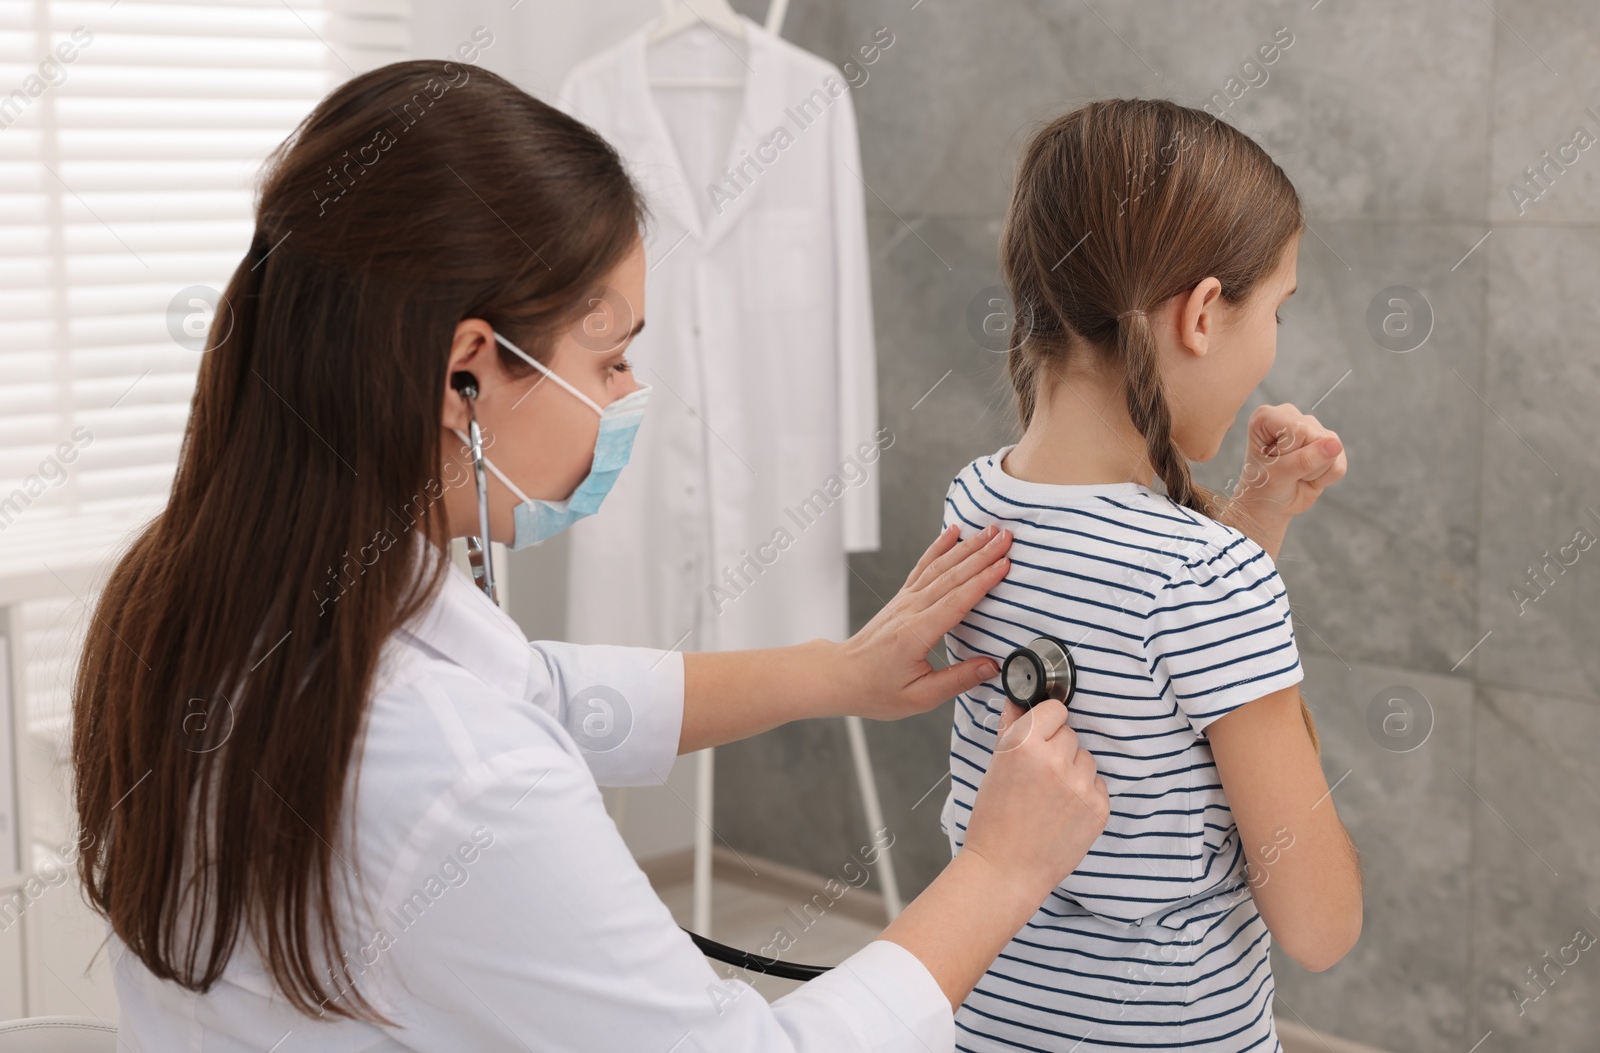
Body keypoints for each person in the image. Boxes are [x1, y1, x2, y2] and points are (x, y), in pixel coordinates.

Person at [68, 60, 1112, 1052]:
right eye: (609, 360)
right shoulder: (459, 774)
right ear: (464, 372)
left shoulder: (190, 594)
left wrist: (833, 673)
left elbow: (544, 689)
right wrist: (1000, 867)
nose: (625, 398)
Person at [937, 99, 1363, 1051]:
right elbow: (1320, 926)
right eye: (1278, 310)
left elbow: (1133, 629)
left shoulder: (973, 505)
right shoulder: (1210, 582)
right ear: (1204, 314)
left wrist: (1253, 515)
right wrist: (1258, 617)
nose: (1275, 346)